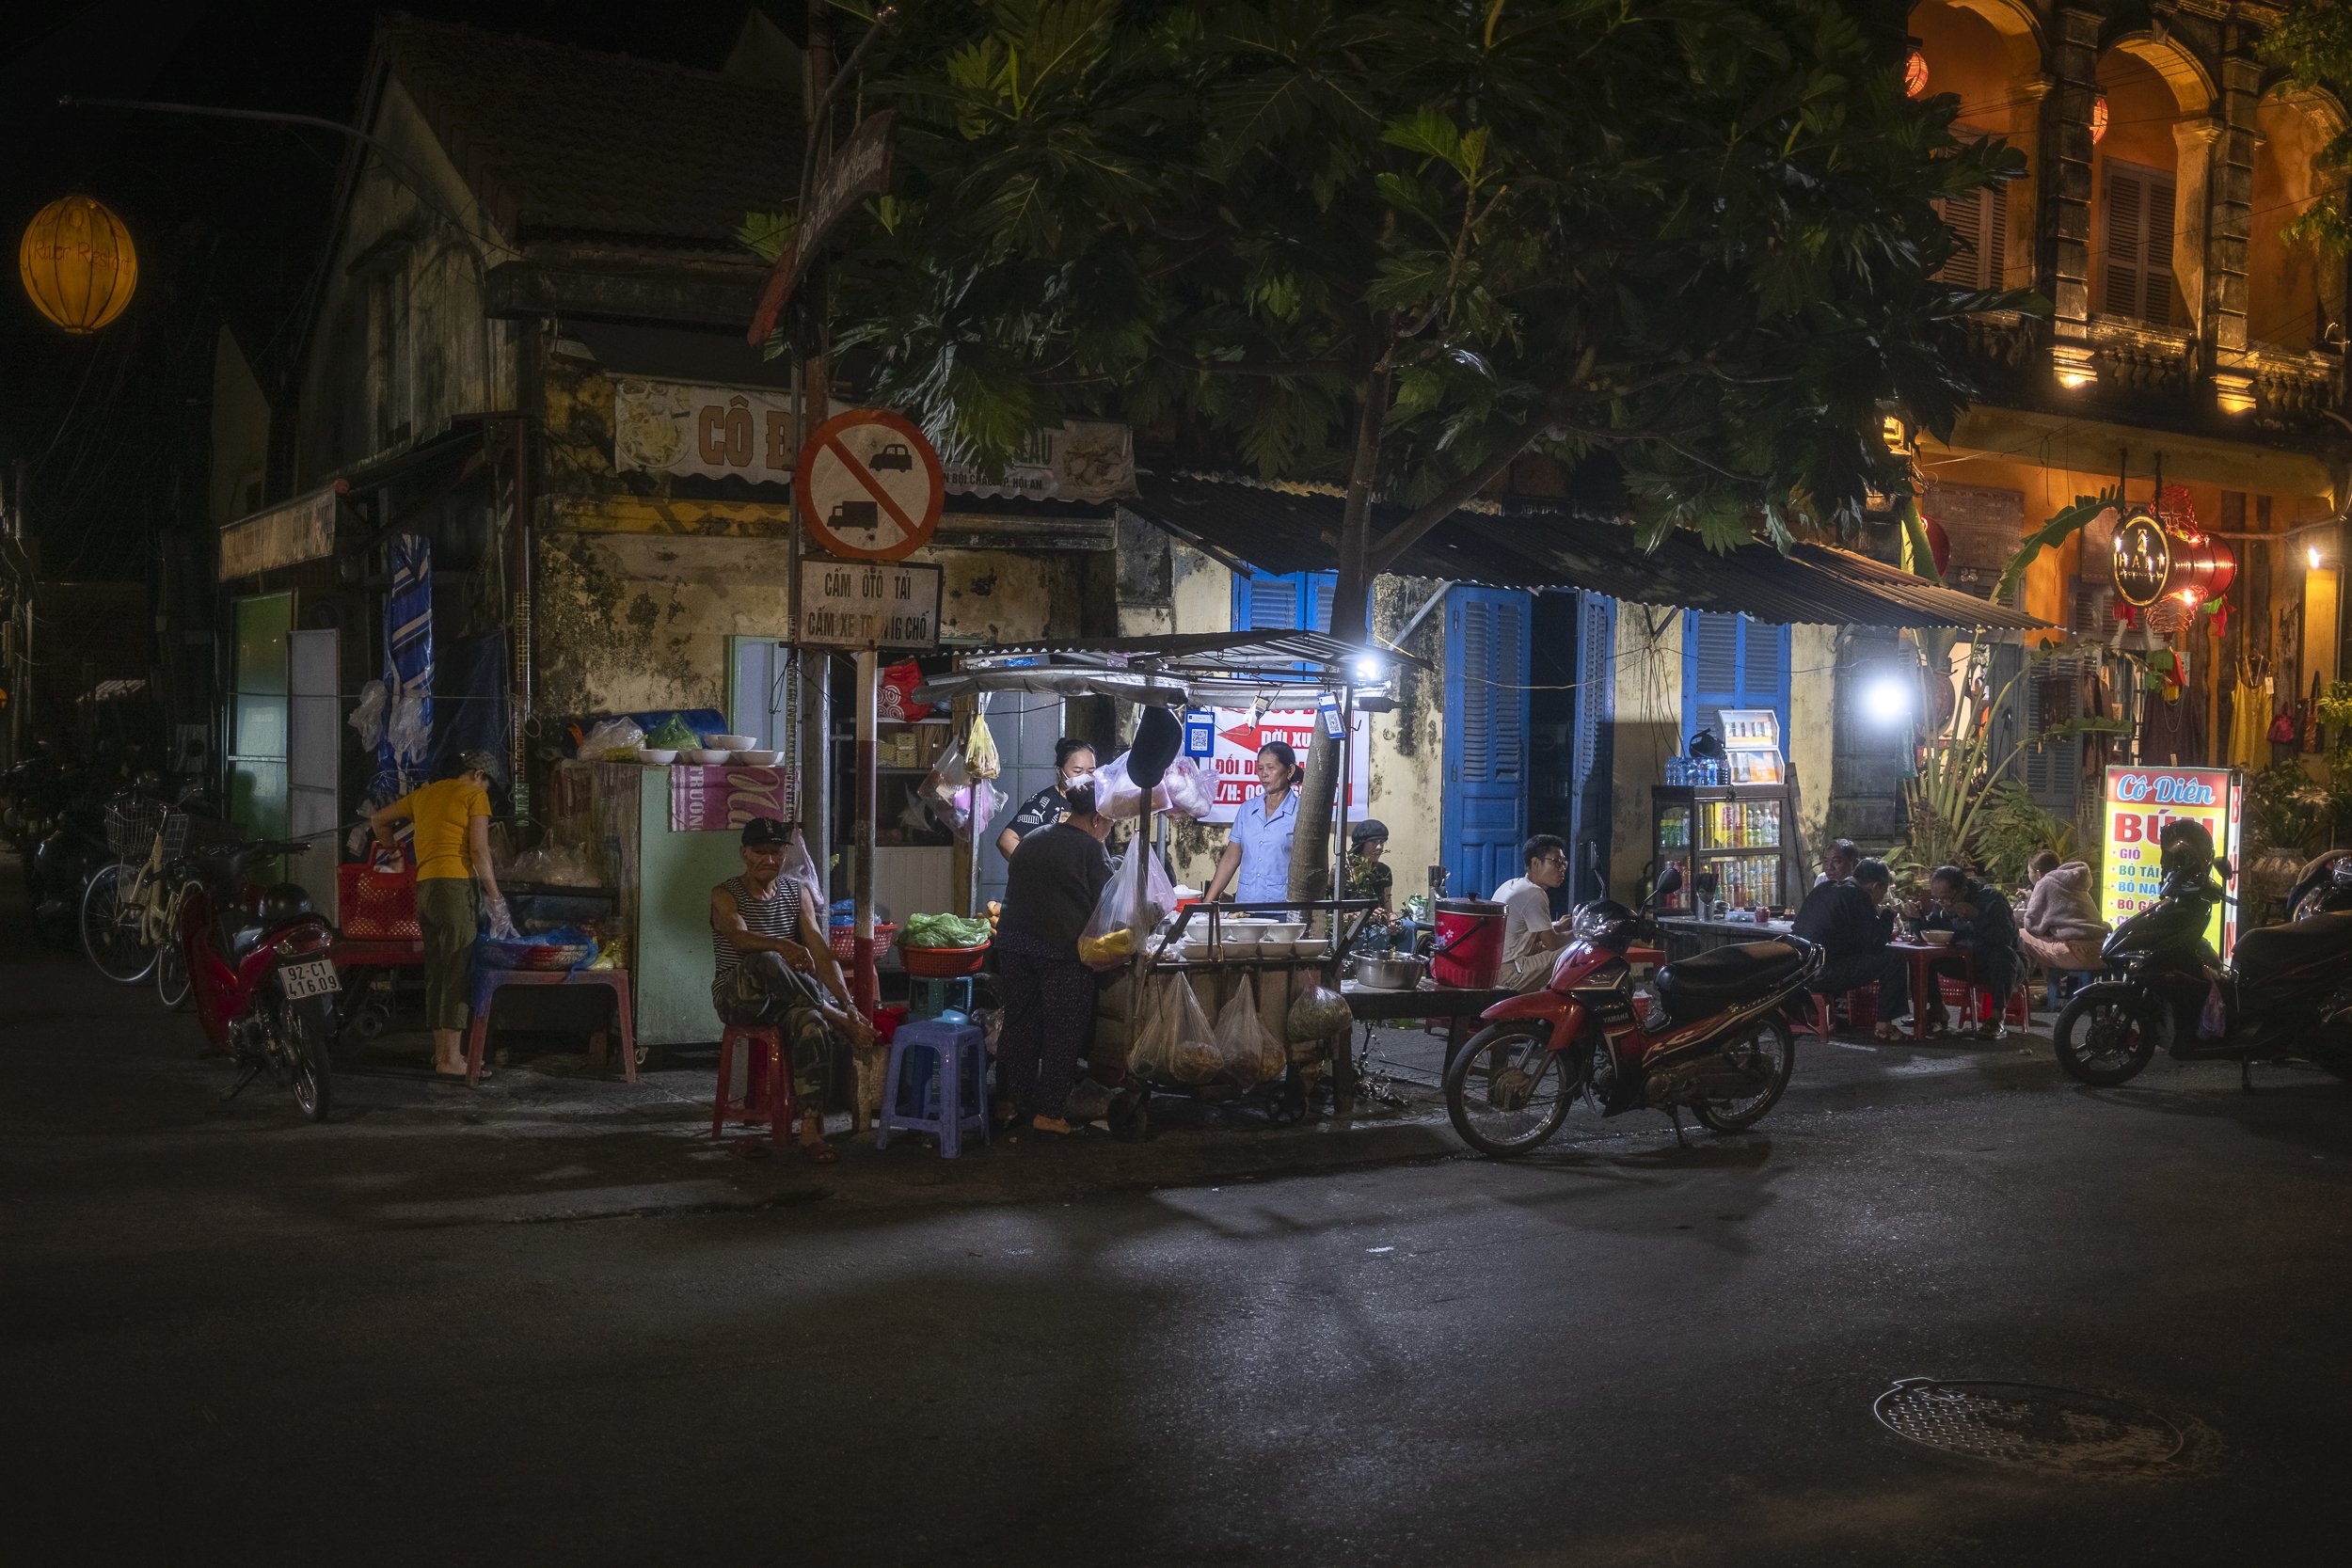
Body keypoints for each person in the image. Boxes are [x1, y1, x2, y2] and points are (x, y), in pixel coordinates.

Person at [709, 816, 876, 1164]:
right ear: (744, 853)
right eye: (759, 852)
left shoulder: (794, 891)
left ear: (785, 855)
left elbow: (820, 949)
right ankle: (834, 1017)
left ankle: (812, 1132)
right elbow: (740, 940)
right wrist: (785, 946)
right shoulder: (725, 894)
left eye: (775, 852)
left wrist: (848, 1003)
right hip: (739, 996)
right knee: (766, 959)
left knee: (811, 1022)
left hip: (787, 998)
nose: (768, 860)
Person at [370, 750, 512, 1081]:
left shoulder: (426, 793)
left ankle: (440, 1054)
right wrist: (496, 897)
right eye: (488, 784)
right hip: (454, 888)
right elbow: (478, 850)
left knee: (437, 969)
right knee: (456, 969)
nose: (486, 791)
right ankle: (452, 1059)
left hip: (426, 888)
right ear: (479, 775)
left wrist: (392, 856)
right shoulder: (474, 795)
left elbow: (378, 820)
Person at [994, 781, 1117, 1138]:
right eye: (1108, 822)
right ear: (1097, 819)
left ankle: (1008, 1103)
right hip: (1060, 950)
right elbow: (1108, 904)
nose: (1109, 829)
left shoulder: (1034, 837)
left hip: (1014, 944)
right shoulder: (1091, 851)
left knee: (1019, 1025)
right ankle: (1048, 1112)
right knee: (1063, 1032)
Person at [1882, 863, 2024, 1039]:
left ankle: (1996, 1018)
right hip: (1966, 961)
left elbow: (2005, 939)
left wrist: (1977, 917)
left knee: (2002, 954)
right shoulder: (1942, 905)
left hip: (2005, 966)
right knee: (1924, 957)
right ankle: (1937, 1011)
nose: (1943, 904)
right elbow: (1932, 934)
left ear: (1963, 890)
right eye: (1937, 899)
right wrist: (1916, 919)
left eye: (1947, 899)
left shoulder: (1991, 899)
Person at [1203, 740, 1301, 906]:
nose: (1264, 774)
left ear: (1289, 770)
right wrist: (1207, 903)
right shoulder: (1247, 810)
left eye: (1271, 768)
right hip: (1245, 907)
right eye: (1260, 768)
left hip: (1281, 909)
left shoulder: (1300, 813)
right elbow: (1230, 859)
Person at [1794, 856, 1895, 1005]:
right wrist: (1888, 915)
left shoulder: (1824, 888)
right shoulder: (1859, 896)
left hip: (1798, 969)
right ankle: (1884, 1025)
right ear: (1874, 887)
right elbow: (1876, 944)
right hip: (1821, 974)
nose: (1881, 898)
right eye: (1883, 892)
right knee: (1893, 958)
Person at [1491, 834, 1575, 991]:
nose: (1562, 868)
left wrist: (1557, 926)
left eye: (1564, 863)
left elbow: (1522, 932)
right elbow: (1552, 943)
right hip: (1510, 974)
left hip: (1495, 967)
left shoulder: (1513, 884)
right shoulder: (1534, 893)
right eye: (1556, 862)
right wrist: (1580, 934)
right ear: (1536, 863)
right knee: (1578, 949)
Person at [2018, 850, 2109, 990]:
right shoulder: (2072, 879)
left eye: (2029, 872)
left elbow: (2032, 925)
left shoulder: (2045, 883)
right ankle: (2053, 990)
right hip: (2101, 950)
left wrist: (2032, 903)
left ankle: (2021, 986)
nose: (2029, 875)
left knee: (2020, 935)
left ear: (2037, 872)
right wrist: (2033, 897)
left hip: (2077, 952)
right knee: (2046, 939)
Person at [995, 738, 1098, 862]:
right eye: (1077, 771)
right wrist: (1038, 870)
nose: (1085, 777)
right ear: (1059, 771)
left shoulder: (1096, 803)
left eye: (1091, 771)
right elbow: (1006, 840)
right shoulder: (1044, 803)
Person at [1345, 819, 1393, 911]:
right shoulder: (1343, 871)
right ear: (1361, 846)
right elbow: (1330, 916)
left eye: (1381, 842)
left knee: (1410, 924)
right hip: (1351, 925)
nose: (1379, 847)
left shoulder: (1384, 871)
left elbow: (1388, 907)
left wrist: (1392, 917)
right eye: (1373, 842)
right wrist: (1361, 916)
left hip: (1378, 923)